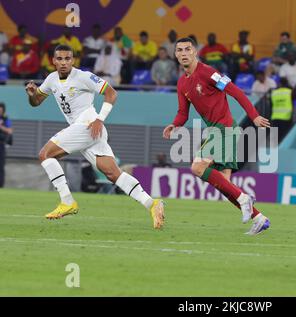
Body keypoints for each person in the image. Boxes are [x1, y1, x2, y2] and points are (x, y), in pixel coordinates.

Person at [24, 45, 165, 229]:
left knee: (45, 154)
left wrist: (100, 119)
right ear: (54, 61)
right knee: (113, 173)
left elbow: (111, 93)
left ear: (73, 60)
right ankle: (152, 204)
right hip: (86, 130)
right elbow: (36, 103)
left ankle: (67, 201)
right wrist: (33, 95)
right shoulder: (51, 79)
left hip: (88, 125)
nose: (64, 62)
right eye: (60, 59)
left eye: (68, 58)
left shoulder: (83, 76)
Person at [163, 38, 271, 235]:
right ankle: (259, 218)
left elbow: (236, 92)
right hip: (219, 130)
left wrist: (254, 116)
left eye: (188, 49)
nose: (184, 53)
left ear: (195, 52)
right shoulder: (182, 83)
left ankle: (245, 198)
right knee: (226, 185)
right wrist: (175, 124)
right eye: (180, 50)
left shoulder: (208, 72)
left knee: (197, 167)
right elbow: (183, 113)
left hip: (224, 128)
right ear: (176, 55)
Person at [270, 77, 294, 142]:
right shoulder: (289, 92)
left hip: (275, 118)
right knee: (284, 139)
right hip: (286, 118)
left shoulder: (274, 92)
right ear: (287, 83)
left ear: (279, 84)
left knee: (275, 140)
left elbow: (271, 105)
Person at [0, 102, 13, 188]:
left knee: (1, 165)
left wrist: (1, 127)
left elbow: (10, 131)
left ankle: (1, 185)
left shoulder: (5, 119)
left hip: (1, 144)